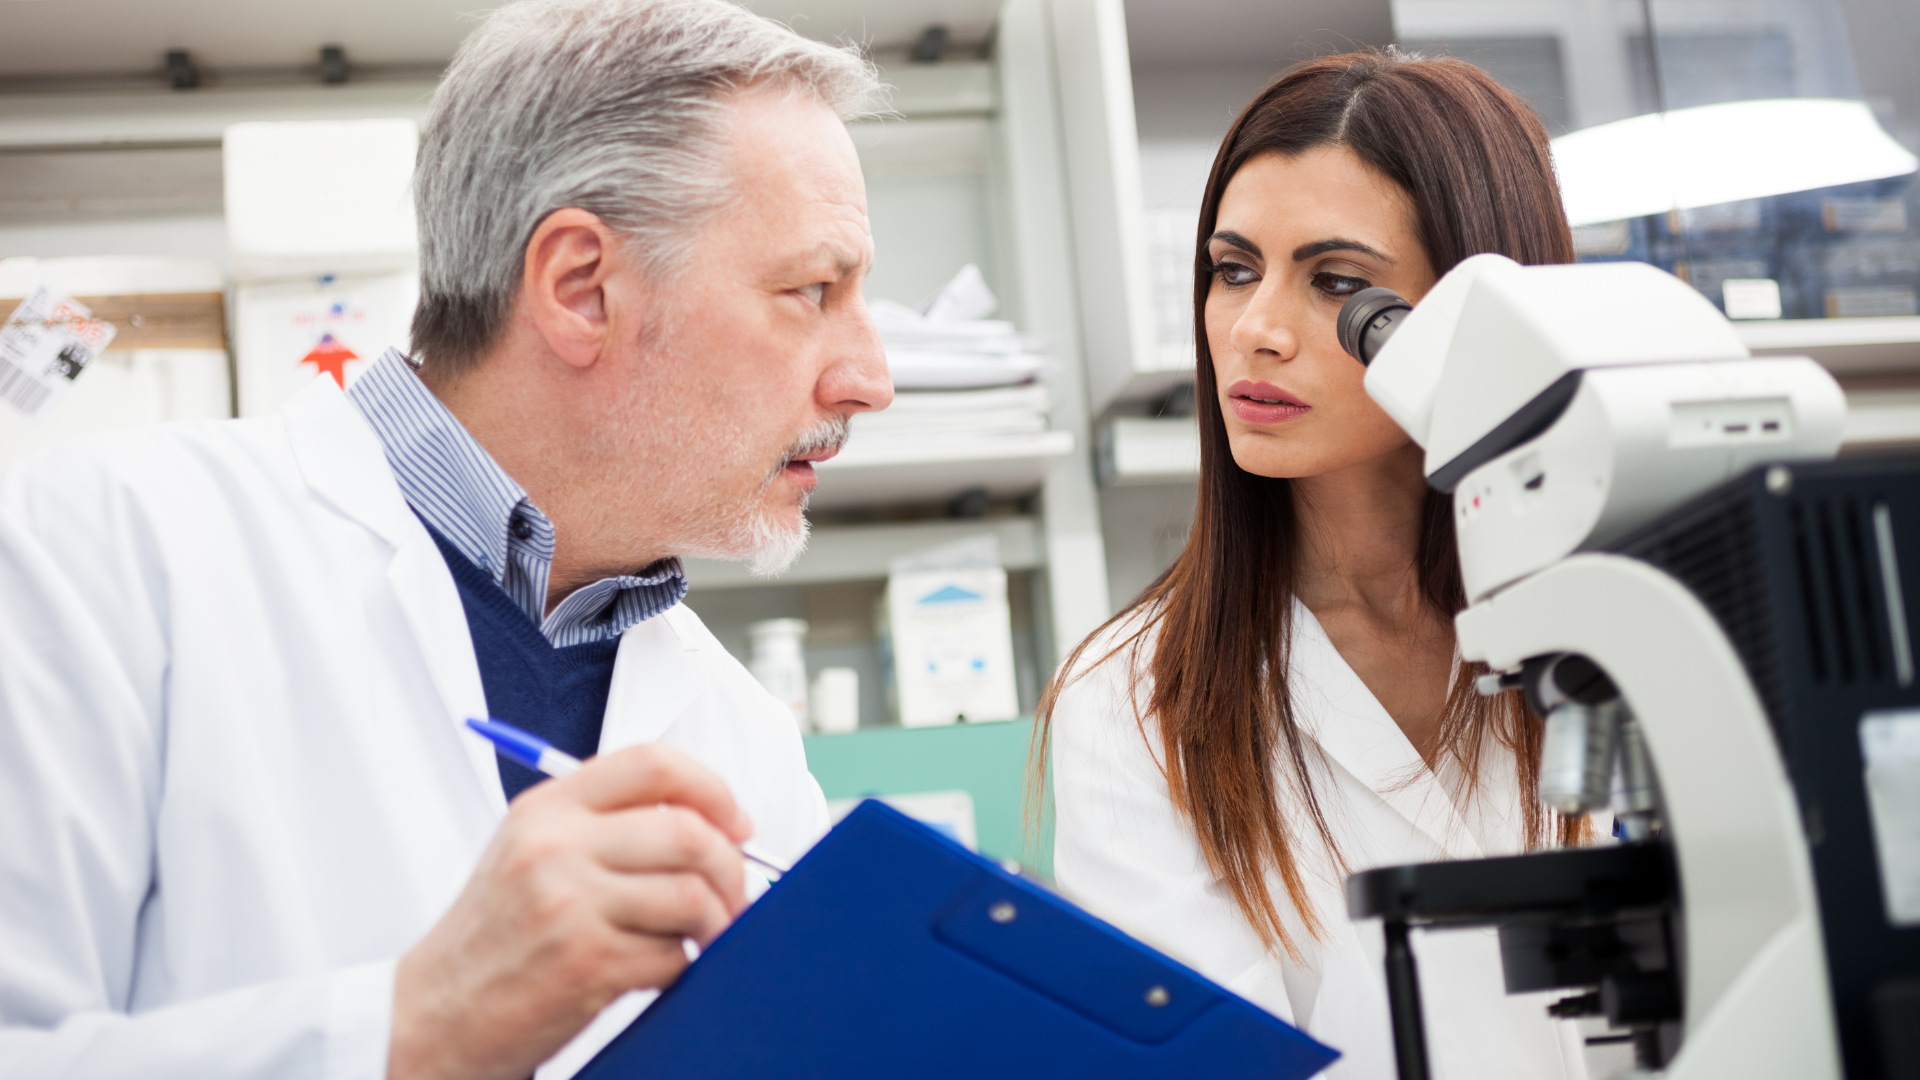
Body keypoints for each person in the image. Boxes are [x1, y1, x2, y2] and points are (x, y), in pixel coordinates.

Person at [0, 1, 890, 1077]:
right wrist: (418, 1024)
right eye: (813, 291)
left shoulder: (743, 735)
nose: (869, 380)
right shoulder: (103, 549)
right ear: (580, 289)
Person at [1040, 50, 1598, 1080]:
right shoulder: (1134, 699)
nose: (1254, 331)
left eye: (1336, 283)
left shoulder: (1625, 627)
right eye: (1233, 269)